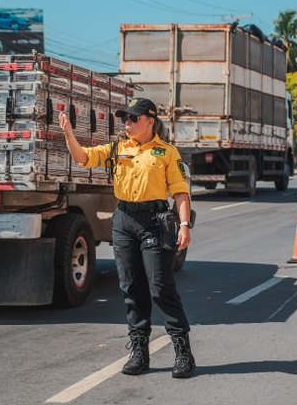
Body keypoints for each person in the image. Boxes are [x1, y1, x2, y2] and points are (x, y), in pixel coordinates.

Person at [59, 97, 196, 379]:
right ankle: (139, 352)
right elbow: (83, 158)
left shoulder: (167, 152)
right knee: (131, 288)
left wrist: (184, 225)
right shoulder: (116, 148)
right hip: (124, 221)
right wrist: (69, 135)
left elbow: (180, 192)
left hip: (154, 222)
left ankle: (183, 352)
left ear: (150, 121)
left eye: (133, 118)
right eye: (126, 119)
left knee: (160, 287)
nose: (128, 123)